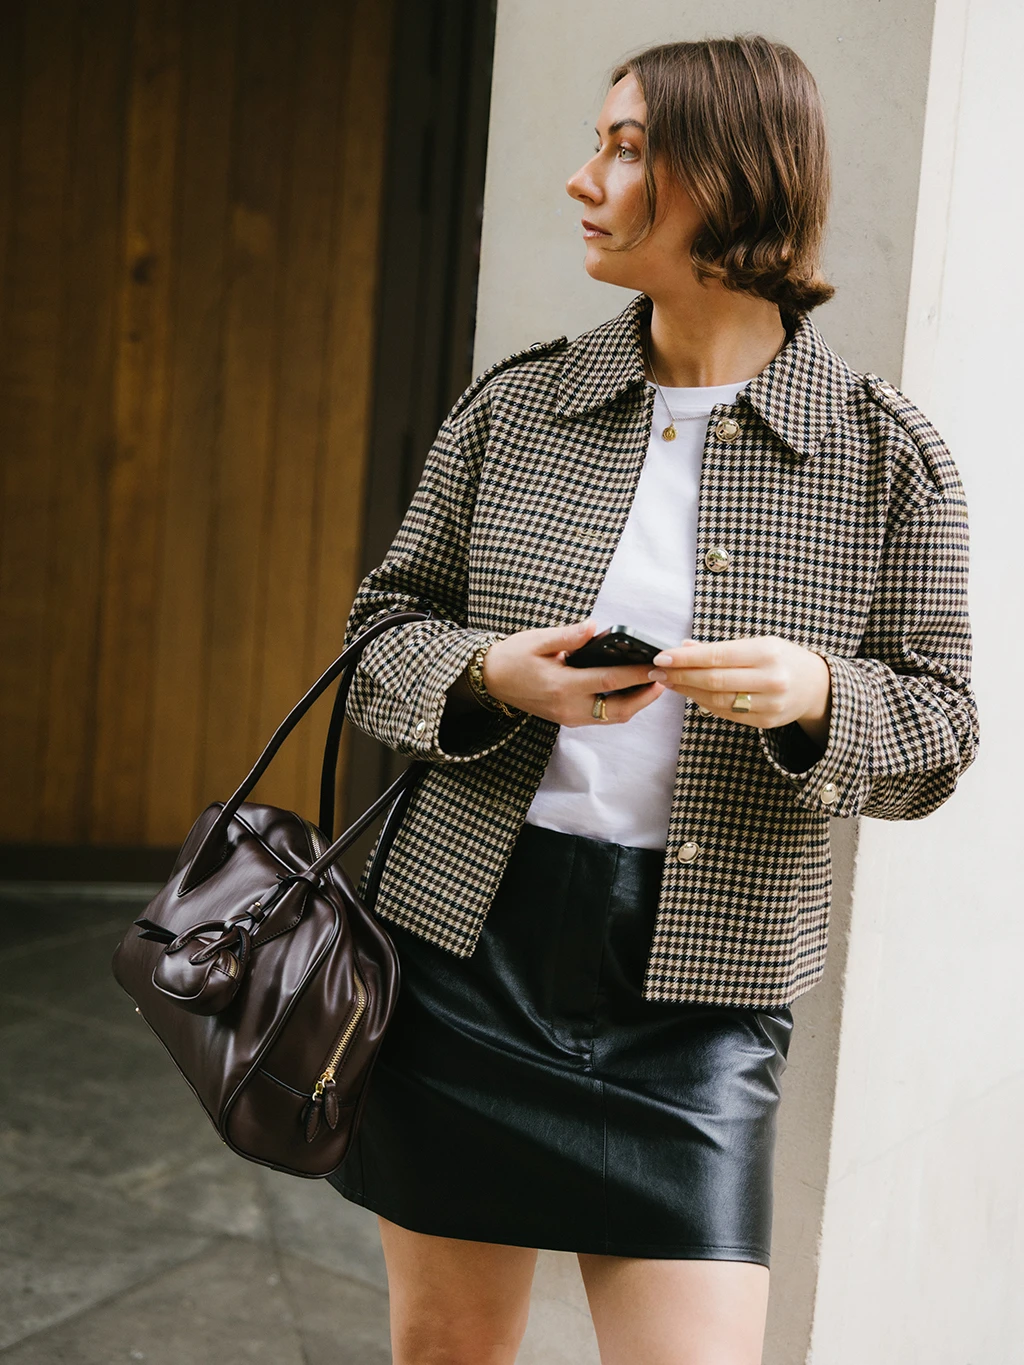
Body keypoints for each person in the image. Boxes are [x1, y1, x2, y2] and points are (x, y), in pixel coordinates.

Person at [327, 34, 979, 1365]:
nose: (585, 178)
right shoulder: (514, 410)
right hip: (463, 955)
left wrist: (815, 695)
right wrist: (487, 674)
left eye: (627, 150)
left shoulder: (885, 457)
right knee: (446, 1355)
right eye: (600, 142)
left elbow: (942, 730)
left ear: (732, 177)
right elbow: (380, 632)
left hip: (698, 1000)